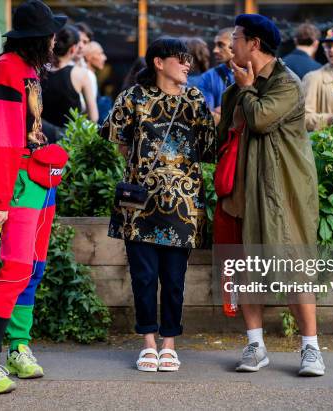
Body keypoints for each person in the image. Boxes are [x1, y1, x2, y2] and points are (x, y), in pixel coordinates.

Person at [0, 0, 67, 394]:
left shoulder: (29, 71)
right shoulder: (5, 71)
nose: (56, 40)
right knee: (15, 269)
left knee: (33, 269)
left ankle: (18, 347)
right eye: (52, 34)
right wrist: (0, 201)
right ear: (38, 38)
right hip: (19, 187)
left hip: (40, 185)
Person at [217, 13, 325, 376]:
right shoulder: (237, 83)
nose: (231, 45)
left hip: (283, 193)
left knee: (293, 267)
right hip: (242, 193)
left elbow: (261, 119)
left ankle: (311, 350)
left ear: (254, 44)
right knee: (247, 271)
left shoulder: (286, 83)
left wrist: (246, 88)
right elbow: (225, 133)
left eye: (236, 38)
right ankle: (255, 346)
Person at [100, 37, 215, 372]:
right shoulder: (133, 97)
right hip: (140, 205)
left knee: (174, 278)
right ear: (159, 63)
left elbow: (208, 147)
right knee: (144, 276)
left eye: (188, 58)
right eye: (180, 58)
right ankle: (148, 342)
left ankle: (169, 344)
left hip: (184, 202)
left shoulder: (194, 98)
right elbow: (116, 138)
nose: (187, 64)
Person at [41, 25, 98, 131]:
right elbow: (93, 117)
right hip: (69, 140)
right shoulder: (81, 74)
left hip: (42, 137)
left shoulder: (40, 71)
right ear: (73, 49)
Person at [196, 27, 235, 124]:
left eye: (221, 45)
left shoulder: (253, 72)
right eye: (215, 45)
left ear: (235, 45)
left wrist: (224, 110)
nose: (215, 50)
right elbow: (206, 116)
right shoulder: (208, 77)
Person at [84, 41, 112, 124]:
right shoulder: (87, 76)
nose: (104, 57)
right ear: (88, 57)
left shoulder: (89, 75)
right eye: (100, 54)